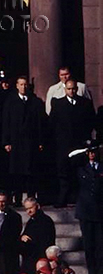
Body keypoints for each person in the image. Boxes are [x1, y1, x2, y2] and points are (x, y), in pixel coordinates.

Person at [50, 78, 96, 206]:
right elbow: (52, 123)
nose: (71, 91)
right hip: (63, 144)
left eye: (73, 89)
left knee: (80, 171)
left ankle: (80, 198)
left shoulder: (85, 103)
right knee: (63, 172)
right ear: (65, 89)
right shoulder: (58, 104)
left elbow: (91, 121)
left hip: (80, 144)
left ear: (77, 89)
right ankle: (63, 198)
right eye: (69, 89)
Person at [2, 76, 46, 204]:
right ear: (17, 86)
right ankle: (17, 198)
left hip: (31, 142)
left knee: (31, 171)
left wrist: (41, 141)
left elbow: (40, 123)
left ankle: (31, 197)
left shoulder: (35, 102)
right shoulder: (10, 102)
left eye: (25, 84)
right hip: (16, 142)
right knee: (16, 172)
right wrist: (6, 141)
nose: (23, 87)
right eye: (21, 84)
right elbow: (6, 123)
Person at [75, 142, 103, 274]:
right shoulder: (81, 168)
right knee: (88, 244)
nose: (92, 154)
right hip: (85, 211)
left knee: (100, 244)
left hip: (99, 211)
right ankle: (91, 271)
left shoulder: (101, 168)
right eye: (90, 152)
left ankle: (100, 271)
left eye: (94, 152)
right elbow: (68, 160)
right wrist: (82, 151)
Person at [19, 197, 56, 274]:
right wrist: (22, 237)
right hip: (30, 258)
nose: (28, 211)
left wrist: (28, 240)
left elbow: (45, 242)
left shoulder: (45, 221)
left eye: (31, 208)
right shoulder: (31, 221)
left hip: (39, 259)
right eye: (26, 209)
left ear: (37, 206)